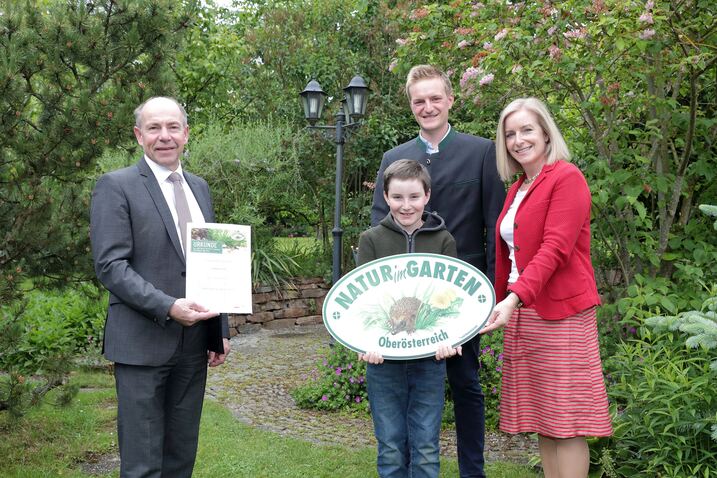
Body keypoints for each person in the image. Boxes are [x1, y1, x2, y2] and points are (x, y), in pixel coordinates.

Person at [371, 64, 505, 478]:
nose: (427, 107)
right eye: (419, 101)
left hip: (463, 296)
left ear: (450, 100)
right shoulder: (394, 159)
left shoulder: (481, 151)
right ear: (411, 106)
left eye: (434, 98)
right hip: (405, 301)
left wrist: (493, 297)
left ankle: (472, 472)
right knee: (407, 391)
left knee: (465, 386)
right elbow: (379, 233)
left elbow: (495, 227)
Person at [90, 96, 231, 478]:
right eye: (154, 128)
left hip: (193, 345)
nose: (164, 136)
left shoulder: (199, 188)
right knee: (142, 462)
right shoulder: (115, 186)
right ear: (139, 136)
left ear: (186, 133)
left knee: (181, 456)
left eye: (172, 127)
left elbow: (212, 263)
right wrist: (168, 306)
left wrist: (219, 331)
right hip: (141, 343)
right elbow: (110, 266)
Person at [480, 97, 613, 477]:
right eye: (510, 134)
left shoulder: (566, 177)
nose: (518, 140)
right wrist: (504, 300)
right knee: (545, 418)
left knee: (567, 422)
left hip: (560, 313)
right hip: (524, 313)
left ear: (545, 133)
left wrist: (514, 298)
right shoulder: (519, 187)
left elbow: (555, 248)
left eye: (527, 130)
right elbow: (511, 254)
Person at [359, 159, 461, 478]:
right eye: (398, 197)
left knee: (427, 447)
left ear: (427, 195)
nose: (406, 205)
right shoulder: (371, 240)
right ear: (386, 197)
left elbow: (452, 302)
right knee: (390, 446)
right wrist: (366, 344)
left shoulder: (443, 240)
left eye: (414, 197)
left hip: (429, 360)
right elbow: (363, 302)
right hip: (383, 362)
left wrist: (450, 339)